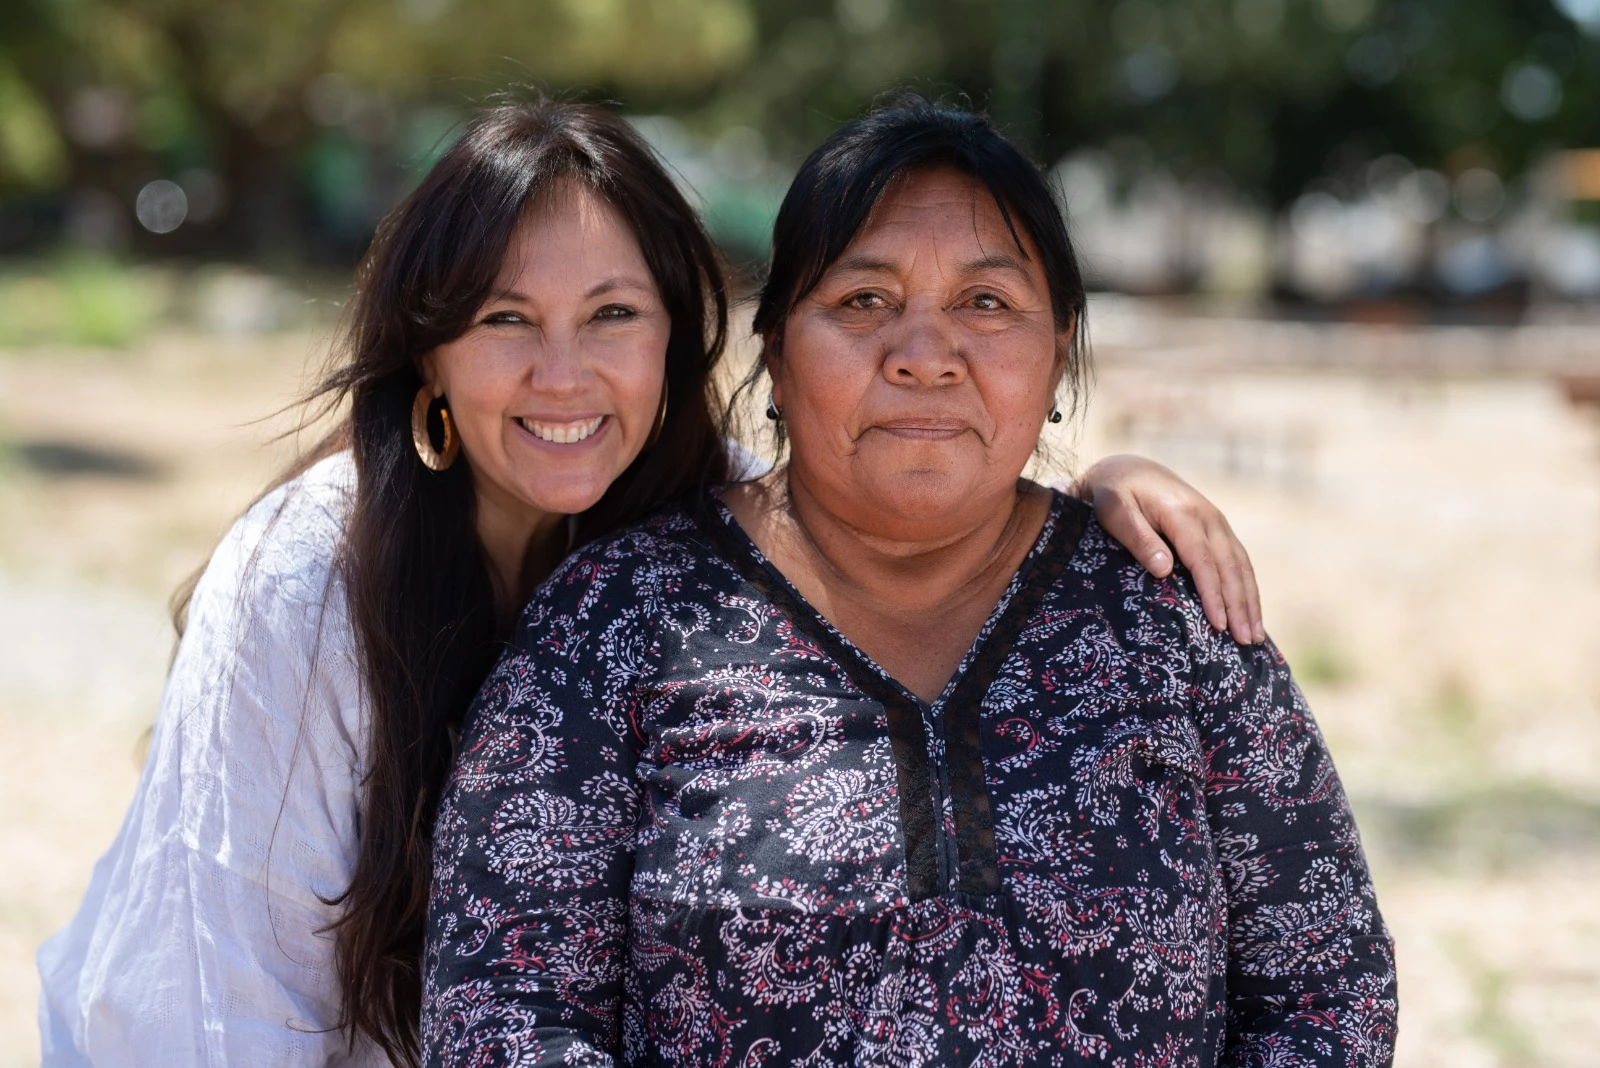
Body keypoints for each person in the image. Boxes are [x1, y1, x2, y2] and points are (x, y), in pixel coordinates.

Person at [38, 97, 1265, 1067]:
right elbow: (212, 1006)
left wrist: (1104, 488)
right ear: (430, 349)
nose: (565, 378)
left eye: (613, 314)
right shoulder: (312, 577)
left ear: (681, 338)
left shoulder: (712, 520)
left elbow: (907, 486)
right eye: (506, 320)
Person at [423, 96, 1397, 1067]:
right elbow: (503, 1012)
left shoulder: (1170, 616)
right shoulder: (615, 619)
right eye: (862, 301)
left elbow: (1325, 991)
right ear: (777, 354)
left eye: (985, 303)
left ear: (1058, 350)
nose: (924, 357)